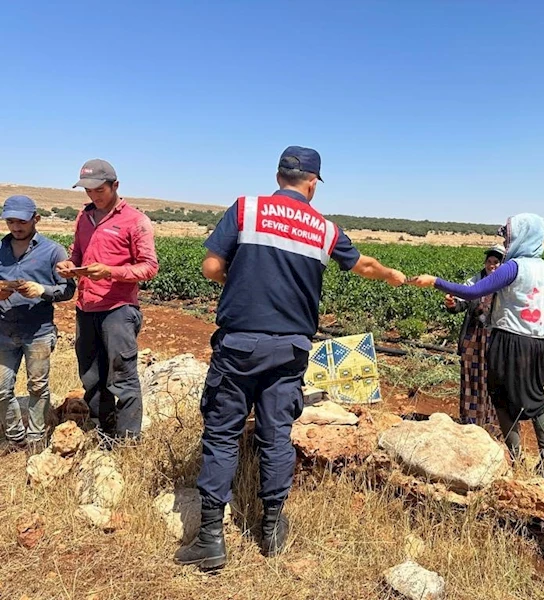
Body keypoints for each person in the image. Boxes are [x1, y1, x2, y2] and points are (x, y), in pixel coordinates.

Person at [174, 146, 407, 570]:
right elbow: (364, 265)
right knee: (276, 434)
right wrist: (392, 275)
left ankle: (210, 538)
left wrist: (237, 280)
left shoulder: (246, 209)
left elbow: (211, 267)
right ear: (313, 183)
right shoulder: (324, 229)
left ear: (279, 174)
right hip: (291, 348)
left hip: (240, 344)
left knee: (223, 434)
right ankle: (272, 529)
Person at [410, 213, 544, 479]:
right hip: (540, 344)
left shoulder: (513, 267)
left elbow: (472, 292)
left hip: (510, 341)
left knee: (501, 397)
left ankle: (517, 462)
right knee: (535, 397)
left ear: (521, 236)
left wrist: (436, 281)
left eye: (508, 234)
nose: (505, 240)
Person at [55, 159, 159, 446]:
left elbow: (149, 267)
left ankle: (127, 442)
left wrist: (110, 271)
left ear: (115, 185)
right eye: (88, 191)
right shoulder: (83, 217)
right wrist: (68, 264)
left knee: (122, 377)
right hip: (86, 307)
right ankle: (105, 431)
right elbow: (77, 255)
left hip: (118, 309)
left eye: (99, 190)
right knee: (91, 376)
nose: (93, 196)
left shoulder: (135, 220)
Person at [0, 196, 75, 451]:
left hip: (38, 332)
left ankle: (35, 440)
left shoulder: (53, 251)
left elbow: (67, 290)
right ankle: (15, 438)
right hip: (4, 331)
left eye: (21, 221)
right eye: (10, 221)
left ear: (36, 219)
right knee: (1, 390)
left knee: (38, 387)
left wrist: (42, 290)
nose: (16, 227)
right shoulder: (0, 249)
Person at [445, 244, 505, 433]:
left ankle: (491, 425)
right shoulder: (475, 281)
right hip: (473, 339)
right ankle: (470, 423)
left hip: (495, 340)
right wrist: (452, 304)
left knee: (492, 380)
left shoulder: (506, 285)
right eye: (489, 262)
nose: (492, 266)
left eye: (496, 262)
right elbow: (460, 303)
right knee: (471, 378)